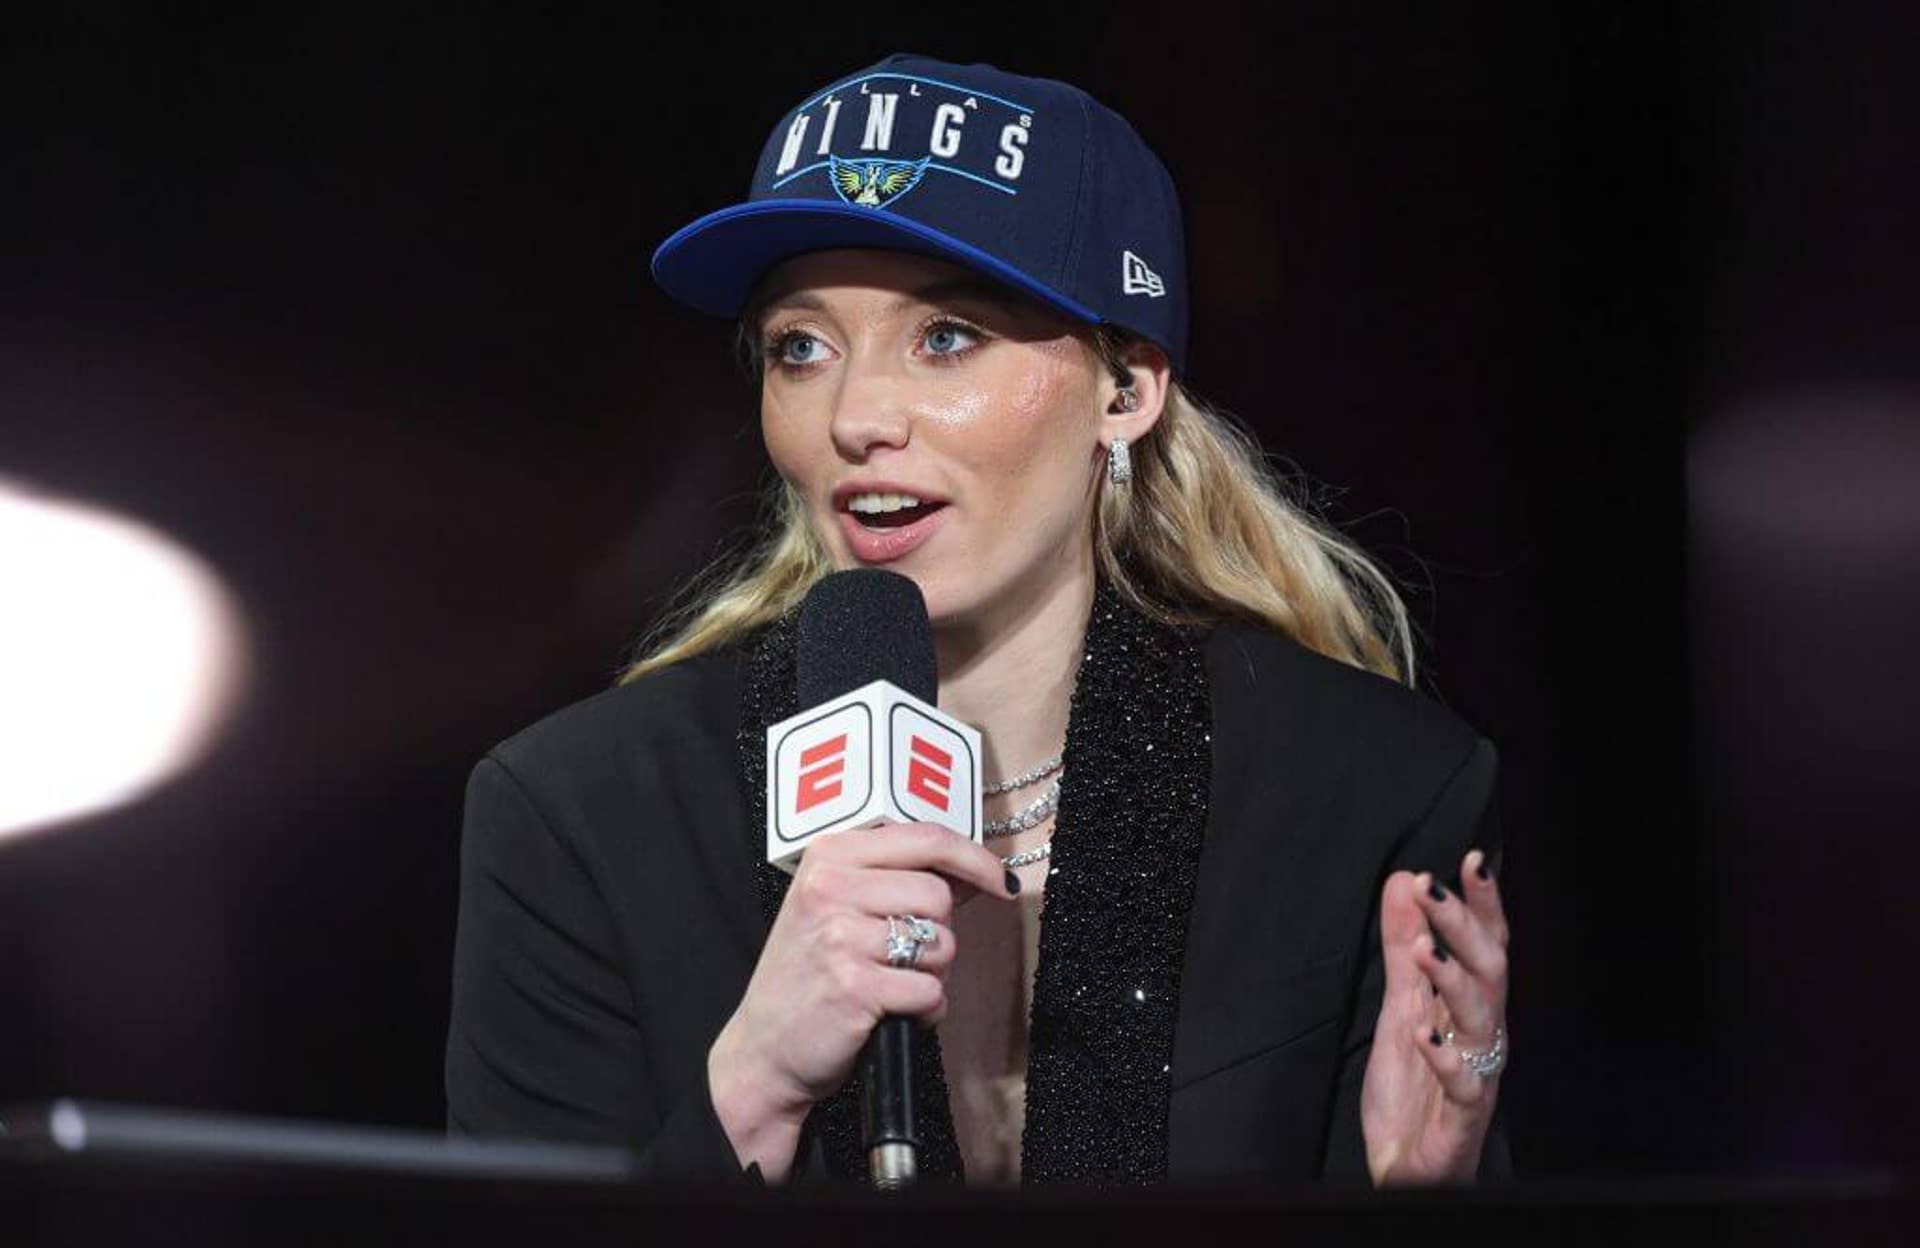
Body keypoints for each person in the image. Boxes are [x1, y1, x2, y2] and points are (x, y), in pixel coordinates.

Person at [445, 53, 1511, 1187]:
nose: (855, 418)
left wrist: (1411, 1209)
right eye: (800, 348)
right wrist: (751, 1087)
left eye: (945, 335)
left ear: (1128, 387)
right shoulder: (578, 815)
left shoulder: (1366, 789)